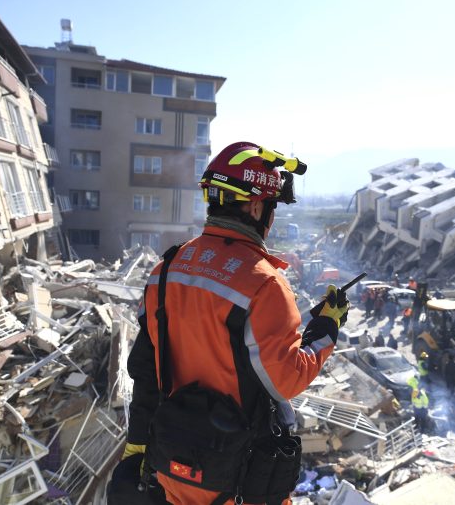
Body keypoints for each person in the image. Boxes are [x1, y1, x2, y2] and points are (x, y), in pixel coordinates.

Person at [122, 142, 349, 505]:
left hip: (172, 464)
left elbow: (145, 366)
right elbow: (285, 380)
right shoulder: (264, 283)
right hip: (234, 478)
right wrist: (325, 333)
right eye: (271, 208)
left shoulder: (165, 270)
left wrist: (137, 440)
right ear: (257, 206)